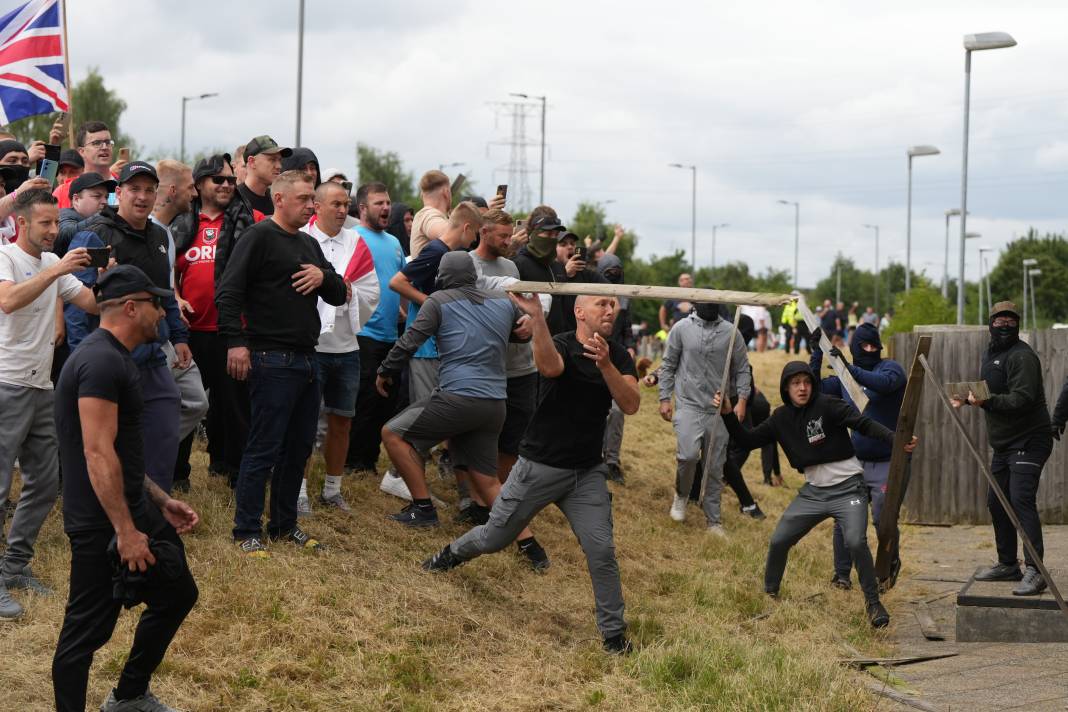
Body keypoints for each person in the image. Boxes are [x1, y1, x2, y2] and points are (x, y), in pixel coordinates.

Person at [422, 291, 639, 654]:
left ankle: (614, 636)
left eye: (613, 305)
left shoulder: (617, 355)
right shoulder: (561, 345)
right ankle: (450, 555)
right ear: (579, 311)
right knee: (494, 538)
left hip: (586, 472)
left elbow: (630, 404)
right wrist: (537, 316)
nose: (610, 310)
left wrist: (606, 367)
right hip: (539, 466)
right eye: (602, 304)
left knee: (601, 551)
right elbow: (550, 368)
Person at [51, 264, 199, 712]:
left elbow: (119, 450)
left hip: (133, 507)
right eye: (157, 305)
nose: (163, 313)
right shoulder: (99, 362)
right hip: (102, 522)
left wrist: (160, 499)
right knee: (85, 634)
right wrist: (125, 531)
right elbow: (97, 453)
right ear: (131, 308)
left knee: (178, 593)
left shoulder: (115, 358)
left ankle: (130, 695)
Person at [715, 362, 917, 628]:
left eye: (807, 382)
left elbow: (864, 424)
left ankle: (874, 603)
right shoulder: (780, 418)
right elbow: (746, 440)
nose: (802, 387)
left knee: (856, 541)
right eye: (796, 383)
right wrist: (728, 414)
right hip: (813, 494)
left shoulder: (829, 405)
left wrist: (896, 439)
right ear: (786, 387)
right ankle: (770, 593)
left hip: (848, 489)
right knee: (778, 540)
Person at [217, 170, 346, 557]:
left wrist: (322, 275)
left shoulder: (308, 244)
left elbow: (340, 293)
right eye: (305, 198)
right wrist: (236, 344)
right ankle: (246, 530)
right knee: (263, 448)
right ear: (279, 199)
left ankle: (284, 525)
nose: (311, 205)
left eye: (312, 199)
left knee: (299, 449)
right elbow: (228, 293)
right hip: (270, 359)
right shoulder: (257, 238)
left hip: (308, 361)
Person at [0, 189, 100, 619]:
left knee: (45, 480)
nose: (54, 231)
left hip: (43, 385)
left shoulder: (51, 266)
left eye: (56, 224)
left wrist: (120, 282)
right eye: (46, 224)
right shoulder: (6, 257)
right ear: (22, 223)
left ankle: (15, 566)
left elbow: (91, 302)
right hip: (6, 382)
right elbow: (8, 301)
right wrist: (56, 270)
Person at [377, 250, 526, 530]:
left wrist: (385, 369)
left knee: (393, 434)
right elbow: (523, 333)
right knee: (488, 478)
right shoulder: (502, 301)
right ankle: (526, 541)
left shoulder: (438, 301)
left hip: (458, 396)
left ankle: (423, 508)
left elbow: (410, 340)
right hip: (495, 402)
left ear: (442, 277)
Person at [81, 162, 192, 493]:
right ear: (119, 193)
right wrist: (82, 352)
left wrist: (180, 336)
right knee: (110, 434)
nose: (142, 197)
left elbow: (165, 292)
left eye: (148, 190)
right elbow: (80, 299)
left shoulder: (160, 235)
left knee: (167, 418)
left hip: (153, 349)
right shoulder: (96, 233)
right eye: (134, 189)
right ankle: (112, 497)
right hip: (112, 353)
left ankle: (157, 501)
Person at [381, 203, 483, 507]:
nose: (474, 242)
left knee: (435, 415)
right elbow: (397, 282)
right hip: (424, 348)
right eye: (475, 234)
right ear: (466, 228)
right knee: (427, 416)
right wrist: (435, 305)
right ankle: (398, 477)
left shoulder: (446, 255)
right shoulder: (436, 251)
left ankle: (410, 479)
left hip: (437, 346)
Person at [171, 153, 262, 485]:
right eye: (218, 180)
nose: (226, 185)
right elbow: (167, 271)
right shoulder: (180, 223)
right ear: (198, 185)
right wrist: (175, 296)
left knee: (236, 410)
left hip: (232, 332)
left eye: (230, 180)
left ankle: (236, 475)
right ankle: (176, 474)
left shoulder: (248, 221)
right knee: (182, 405)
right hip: (188, 333)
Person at [951, 302, 1053, 596]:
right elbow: (990, 393)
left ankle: (1036, 571)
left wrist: (986, 402)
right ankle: (1008, 564)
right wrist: (968, 399)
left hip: (1030, 440)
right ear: (990, 323)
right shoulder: (991, 354)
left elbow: (1021, 398)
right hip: (1005, 444)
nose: (1005, 324)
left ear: (1017, 324)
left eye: (1011, 320)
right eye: (1000, 319)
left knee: (1020, 501)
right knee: (998, 503)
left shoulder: (1023, 356)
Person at [468, 208, 549, 570]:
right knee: (475, 437)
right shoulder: (466, 265)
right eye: (502, 237)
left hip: (519, 368)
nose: (508, 242)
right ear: (484, 233)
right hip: (483, 369)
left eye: (508, 236)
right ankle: (476, 504)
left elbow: (524, 311)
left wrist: (528, 325)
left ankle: (499, 501)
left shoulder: (512, 270)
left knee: (513, 439)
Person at [810, 323, 906, 590]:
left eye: (874, 345)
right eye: (864, 346)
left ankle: (888, 567)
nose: (871, 350)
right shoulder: (843, 379)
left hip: (888, 460)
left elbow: (884, 384)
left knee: (882, 518)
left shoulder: (890, 369)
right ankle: (841, 576)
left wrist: (849, 369)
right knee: (845, 518)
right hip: (855, 460)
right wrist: (816, 355)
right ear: (854, 348)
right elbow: (813, 390)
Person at [305, 180, 380, 514]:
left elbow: (372, 291)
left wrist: (346, 291)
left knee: (342, 420)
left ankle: (333, 489)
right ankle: (298, 489)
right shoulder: (303, 240)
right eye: (335, 203)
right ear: (316, 206)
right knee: (304, 422)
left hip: (347, 347)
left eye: (345, 204)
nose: (341, 210)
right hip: (310, 346)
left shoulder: (357, 242)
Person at [658, 299, 751, 535]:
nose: (709, 307)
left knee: (714, 466)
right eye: (704, 302)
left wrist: (741, 400)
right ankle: (681, 496)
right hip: (688, 404)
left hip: (718, 409)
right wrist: (665, 398)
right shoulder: (681, 328)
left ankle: (713, 521)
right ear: (695, 304)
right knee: (688, 456)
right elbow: (668, 364)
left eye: (714, 303)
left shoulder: (732, 333)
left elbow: (742, 368)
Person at [151, 160, 209, 494]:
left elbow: (168, 290)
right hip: (143, 341)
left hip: (168, 338)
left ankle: (150, 455)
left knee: (196, 401)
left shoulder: (167, 234)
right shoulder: (146, 230)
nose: (194, 192)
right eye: (190, 186)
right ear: (172, 191)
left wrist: (179, 335)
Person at [346, 183, 406, 478]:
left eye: (388, 202)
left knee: (385, 401)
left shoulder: (394, 242)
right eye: (379, 203)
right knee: (364, 399)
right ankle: (354, 462)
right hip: (363, 332)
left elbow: (398, 279)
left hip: (391, 334)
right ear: (362, 209)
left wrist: (401, 308)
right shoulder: (353, 237)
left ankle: (368, 458)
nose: (386, 208)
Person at [596, 253, 634, 483]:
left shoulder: (626, 298)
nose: (614, 272)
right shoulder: (591, 294)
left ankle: (612, 460)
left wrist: (629, 348)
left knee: (618, 411)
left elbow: (627, 329)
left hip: (616, 360)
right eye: (610, 269)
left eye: (617, 269)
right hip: (593, 353)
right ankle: (594, 457)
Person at [53, 121, 118, 211]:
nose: (104, 147)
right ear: (81, 151)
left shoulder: (125, 185)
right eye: (96, 143)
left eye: (107, 142)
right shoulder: (62, 192)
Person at [56, 171, 113, 256]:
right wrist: (100, 217)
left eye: (106, 197)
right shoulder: (65, 214)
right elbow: (65, 234)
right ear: (76, 200)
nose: (105, 202)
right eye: (97, 196)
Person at [237, 135, 291, 216]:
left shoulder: (277, 200)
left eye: (280, 160)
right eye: (272, 160)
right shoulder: (235, 199)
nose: (279, 166)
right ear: (252, 162)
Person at [410, 169, 451, 258]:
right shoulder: (428, 214)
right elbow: (449, 234)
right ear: (446, 192)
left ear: (422, 195)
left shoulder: (422, 215)